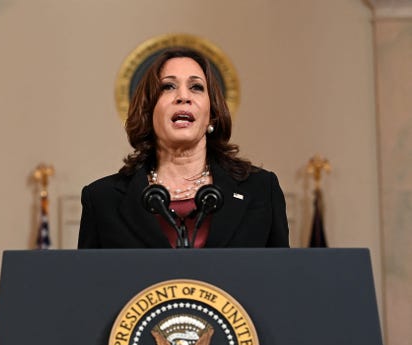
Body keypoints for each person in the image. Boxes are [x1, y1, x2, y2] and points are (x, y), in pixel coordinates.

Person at [78, 48, 289, 248]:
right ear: (149, 110)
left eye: (196, 87)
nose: (183, 97)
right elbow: (90, 283)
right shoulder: (102, 200)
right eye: (168, 86)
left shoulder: (261, 190)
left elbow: (280, 280)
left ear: (212, 113)